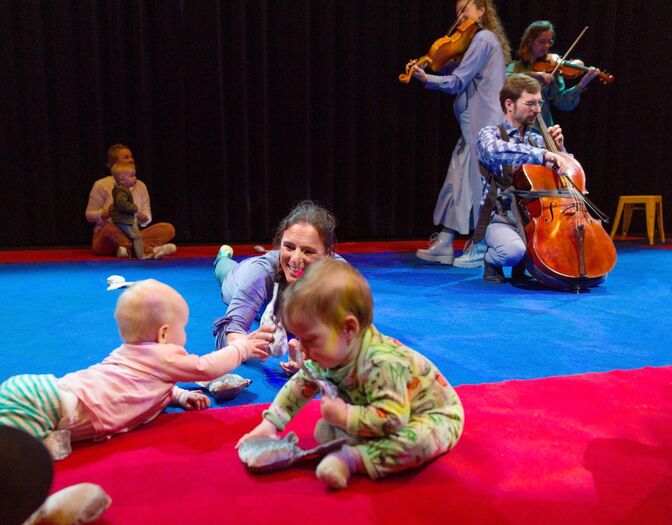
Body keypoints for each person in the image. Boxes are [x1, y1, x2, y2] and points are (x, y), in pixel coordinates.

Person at [237, 259, 464, 490]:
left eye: (310, 339)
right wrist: (269, 425)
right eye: (299, 338)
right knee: (324, 430)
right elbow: (300, 385)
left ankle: (352, 459)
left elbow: (394, 419)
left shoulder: (381, 363)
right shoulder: (331, 352)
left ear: (348, 329)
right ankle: (356, 441)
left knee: (418, 442)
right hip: (381, 409)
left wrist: (346, 416)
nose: (301, 349)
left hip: (429, 415)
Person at [0, 279, 270, 460]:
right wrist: (242, 347)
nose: (185, 336)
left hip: (43, 396)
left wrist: (180, 396)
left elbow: (148, 385)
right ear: (164, 334)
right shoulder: (163, 355)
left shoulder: (134, 356)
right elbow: (207, 368)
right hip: (47, 404)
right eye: (183, 329)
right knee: (13, 462)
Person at [408, 0, 511, 267]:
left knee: (478, 186)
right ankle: (445, 240)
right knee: (457, 180)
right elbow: (461, 75)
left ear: (481, 11)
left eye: (465, 9)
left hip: (483, 125)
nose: (460, 16)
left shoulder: (484, 39)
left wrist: (426, 78)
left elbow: (457, 83)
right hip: (471, 125)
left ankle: (481, 244)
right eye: (457, 12)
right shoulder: (473, 43)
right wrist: (435, 63)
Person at [213, 200, 344, 374]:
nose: (296, 259)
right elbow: (230, 331)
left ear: (328, 254)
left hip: (278, 305)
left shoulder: (340, 277)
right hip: (240, 277)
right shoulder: (258, 274)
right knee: (224, 269)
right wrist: (245, 345)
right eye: (289, 247)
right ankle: (222, 257)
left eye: (308, 251)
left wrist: (312, 358)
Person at [475, 73, 569, 283]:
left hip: (537, 218)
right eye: (530, 103)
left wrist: (560, 150)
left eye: (539, 103)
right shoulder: (490, 134)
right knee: (512, 252)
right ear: (509, 104)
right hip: (502, 218)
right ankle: (492, 259)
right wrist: (542, 154)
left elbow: (567, 176)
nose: (537, 109)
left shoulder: (537, 138)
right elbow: (494, 152)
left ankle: (528, 261)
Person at [85, 144, 177, 259]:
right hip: (108, 237)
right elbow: (89, 215)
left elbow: (147, 218)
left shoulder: (140, 185)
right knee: (110, 228)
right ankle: (149, 251)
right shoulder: (101, 185)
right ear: (114, 162)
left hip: (133, 233)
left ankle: (126, 251)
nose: (131, 159)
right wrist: (105, 213)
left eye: (131, 156)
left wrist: (141, 216)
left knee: (167, 228)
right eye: (126, 157)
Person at [507, 21, 597, 126]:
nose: (546, 46)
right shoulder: (516, 67)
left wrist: (582, 84)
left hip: (540, 128)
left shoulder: (552, 70)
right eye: (541, 41)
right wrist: (535, 75)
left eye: (549, 42)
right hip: (516, 127)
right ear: (530, 42)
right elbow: (506, 80)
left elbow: (562, 103)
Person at [110, 162, 148, 260]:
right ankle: (141, 255)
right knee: (136, 236)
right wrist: (134, 207)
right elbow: (122, 204)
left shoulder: (122, 189)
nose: (135, 178)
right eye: (132, 176)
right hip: (123, 220)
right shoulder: (121, 191)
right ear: (122, 180)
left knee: (137, 235)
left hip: (126, 219)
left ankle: (130, 251)